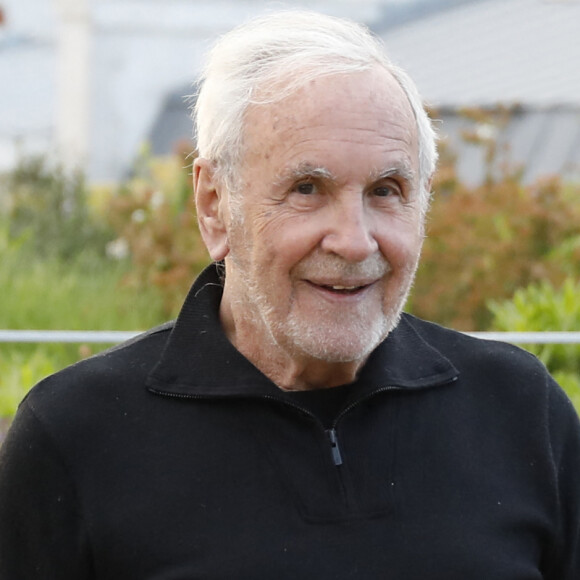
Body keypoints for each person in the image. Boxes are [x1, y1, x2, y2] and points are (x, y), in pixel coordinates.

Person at [1, 10, 579, 579]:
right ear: (213, 204)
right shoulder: (77, 436)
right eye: (307, 188)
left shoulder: (522, 413)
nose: (354, 242)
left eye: (386, 189)